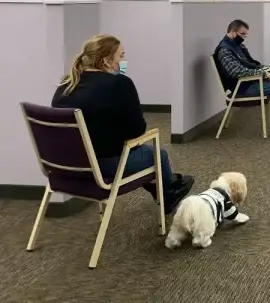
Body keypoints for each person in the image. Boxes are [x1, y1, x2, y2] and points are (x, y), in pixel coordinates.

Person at [51, 34, 194, 214]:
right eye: (121, 56)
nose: (123, 61)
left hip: (63, 164)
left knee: (144, 155)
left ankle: (165, 184)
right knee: (159, 155)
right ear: (106, 61)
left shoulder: (67, 82)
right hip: (102, 166)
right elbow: (137, 130)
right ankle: (168, 191)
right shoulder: (120, 83)